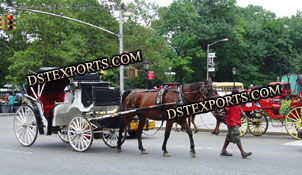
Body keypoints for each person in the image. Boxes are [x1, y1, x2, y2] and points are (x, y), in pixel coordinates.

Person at [220, 89, 252, 158]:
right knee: (236, 135)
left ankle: (223, 150)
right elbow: (225, 108)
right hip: (231, 122)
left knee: (228, 137)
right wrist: (219, 112)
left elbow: (241, 111)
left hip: (236, 121)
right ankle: (242, 152)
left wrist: (246, 117)